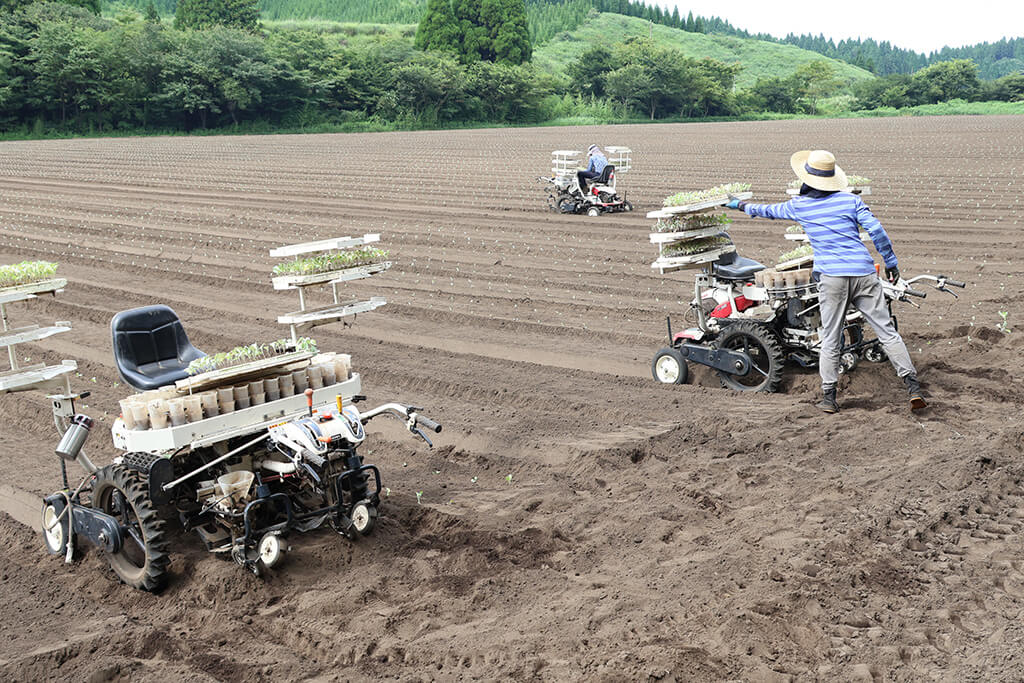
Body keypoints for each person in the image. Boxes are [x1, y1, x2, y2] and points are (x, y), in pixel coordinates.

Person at [725, 149, 926, 414]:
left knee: (830, 337)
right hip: (864, 274)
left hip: (832, 278)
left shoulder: (800, 205)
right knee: (886, 331)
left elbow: (767, 211)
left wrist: (739, 205)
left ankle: (829, 398)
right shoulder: (850, 201)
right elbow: (876, 230)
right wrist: (890, 262)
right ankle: (913, 388)